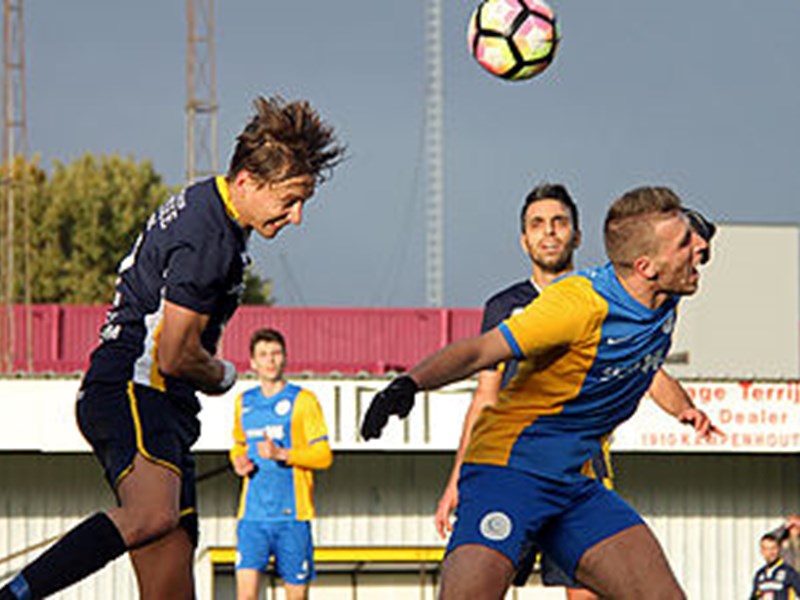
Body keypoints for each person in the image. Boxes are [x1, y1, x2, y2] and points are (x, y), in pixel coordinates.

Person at [0, 96, 344, 600]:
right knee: (152, 514)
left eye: (303, 203)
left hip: (159, 401)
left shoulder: (208, 205)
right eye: (289, 200)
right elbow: (175, 355)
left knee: (171, 575)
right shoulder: (212, 239)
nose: (295, 218)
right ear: (247, 180)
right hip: (136, 390)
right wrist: (223, 375)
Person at [362, 185, 711, 599]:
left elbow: (648, 371)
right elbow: (480, 350)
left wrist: (684, 408)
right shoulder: (578, 305)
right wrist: (408, 384)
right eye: (686, 242)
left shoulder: (666, 289)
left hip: (574, 482)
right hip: (508, 472)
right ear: (645, 266)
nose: (701, 248)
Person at [230, 328, 333, 600]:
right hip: (252, 517)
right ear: (252, 362)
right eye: (263, 355)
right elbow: (239, 444)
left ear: (285, 358)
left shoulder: (303, 401)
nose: (270, 361)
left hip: (293, 517)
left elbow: (323, 455)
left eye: (275, 354)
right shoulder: (244, 402)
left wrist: (283, 454)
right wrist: (238, 461)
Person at [751, 533, 800, 599]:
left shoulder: (789, 572)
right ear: (762, 551)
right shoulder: (760, 574)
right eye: (767, 549)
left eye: (773, 548)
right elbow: (754, 597)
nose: (771, 552)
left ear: (779, 549)